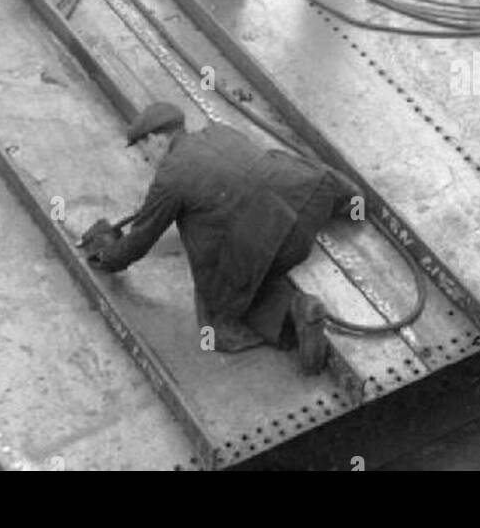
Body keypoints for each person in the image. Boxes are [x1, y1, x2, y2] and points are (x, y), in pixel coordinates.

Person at [83, 102, 362, 374]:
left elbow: (139, 241)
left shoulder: (169, 178)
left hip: (278, 245)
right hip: (309, 202)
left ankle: (294, 309)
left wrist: (106, 257)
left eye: (143, 148)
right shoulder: (220, 131)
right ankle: (351, 201)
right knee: (276, 172)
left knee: (221, 302)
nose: (145, 158)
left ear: (155, 139)